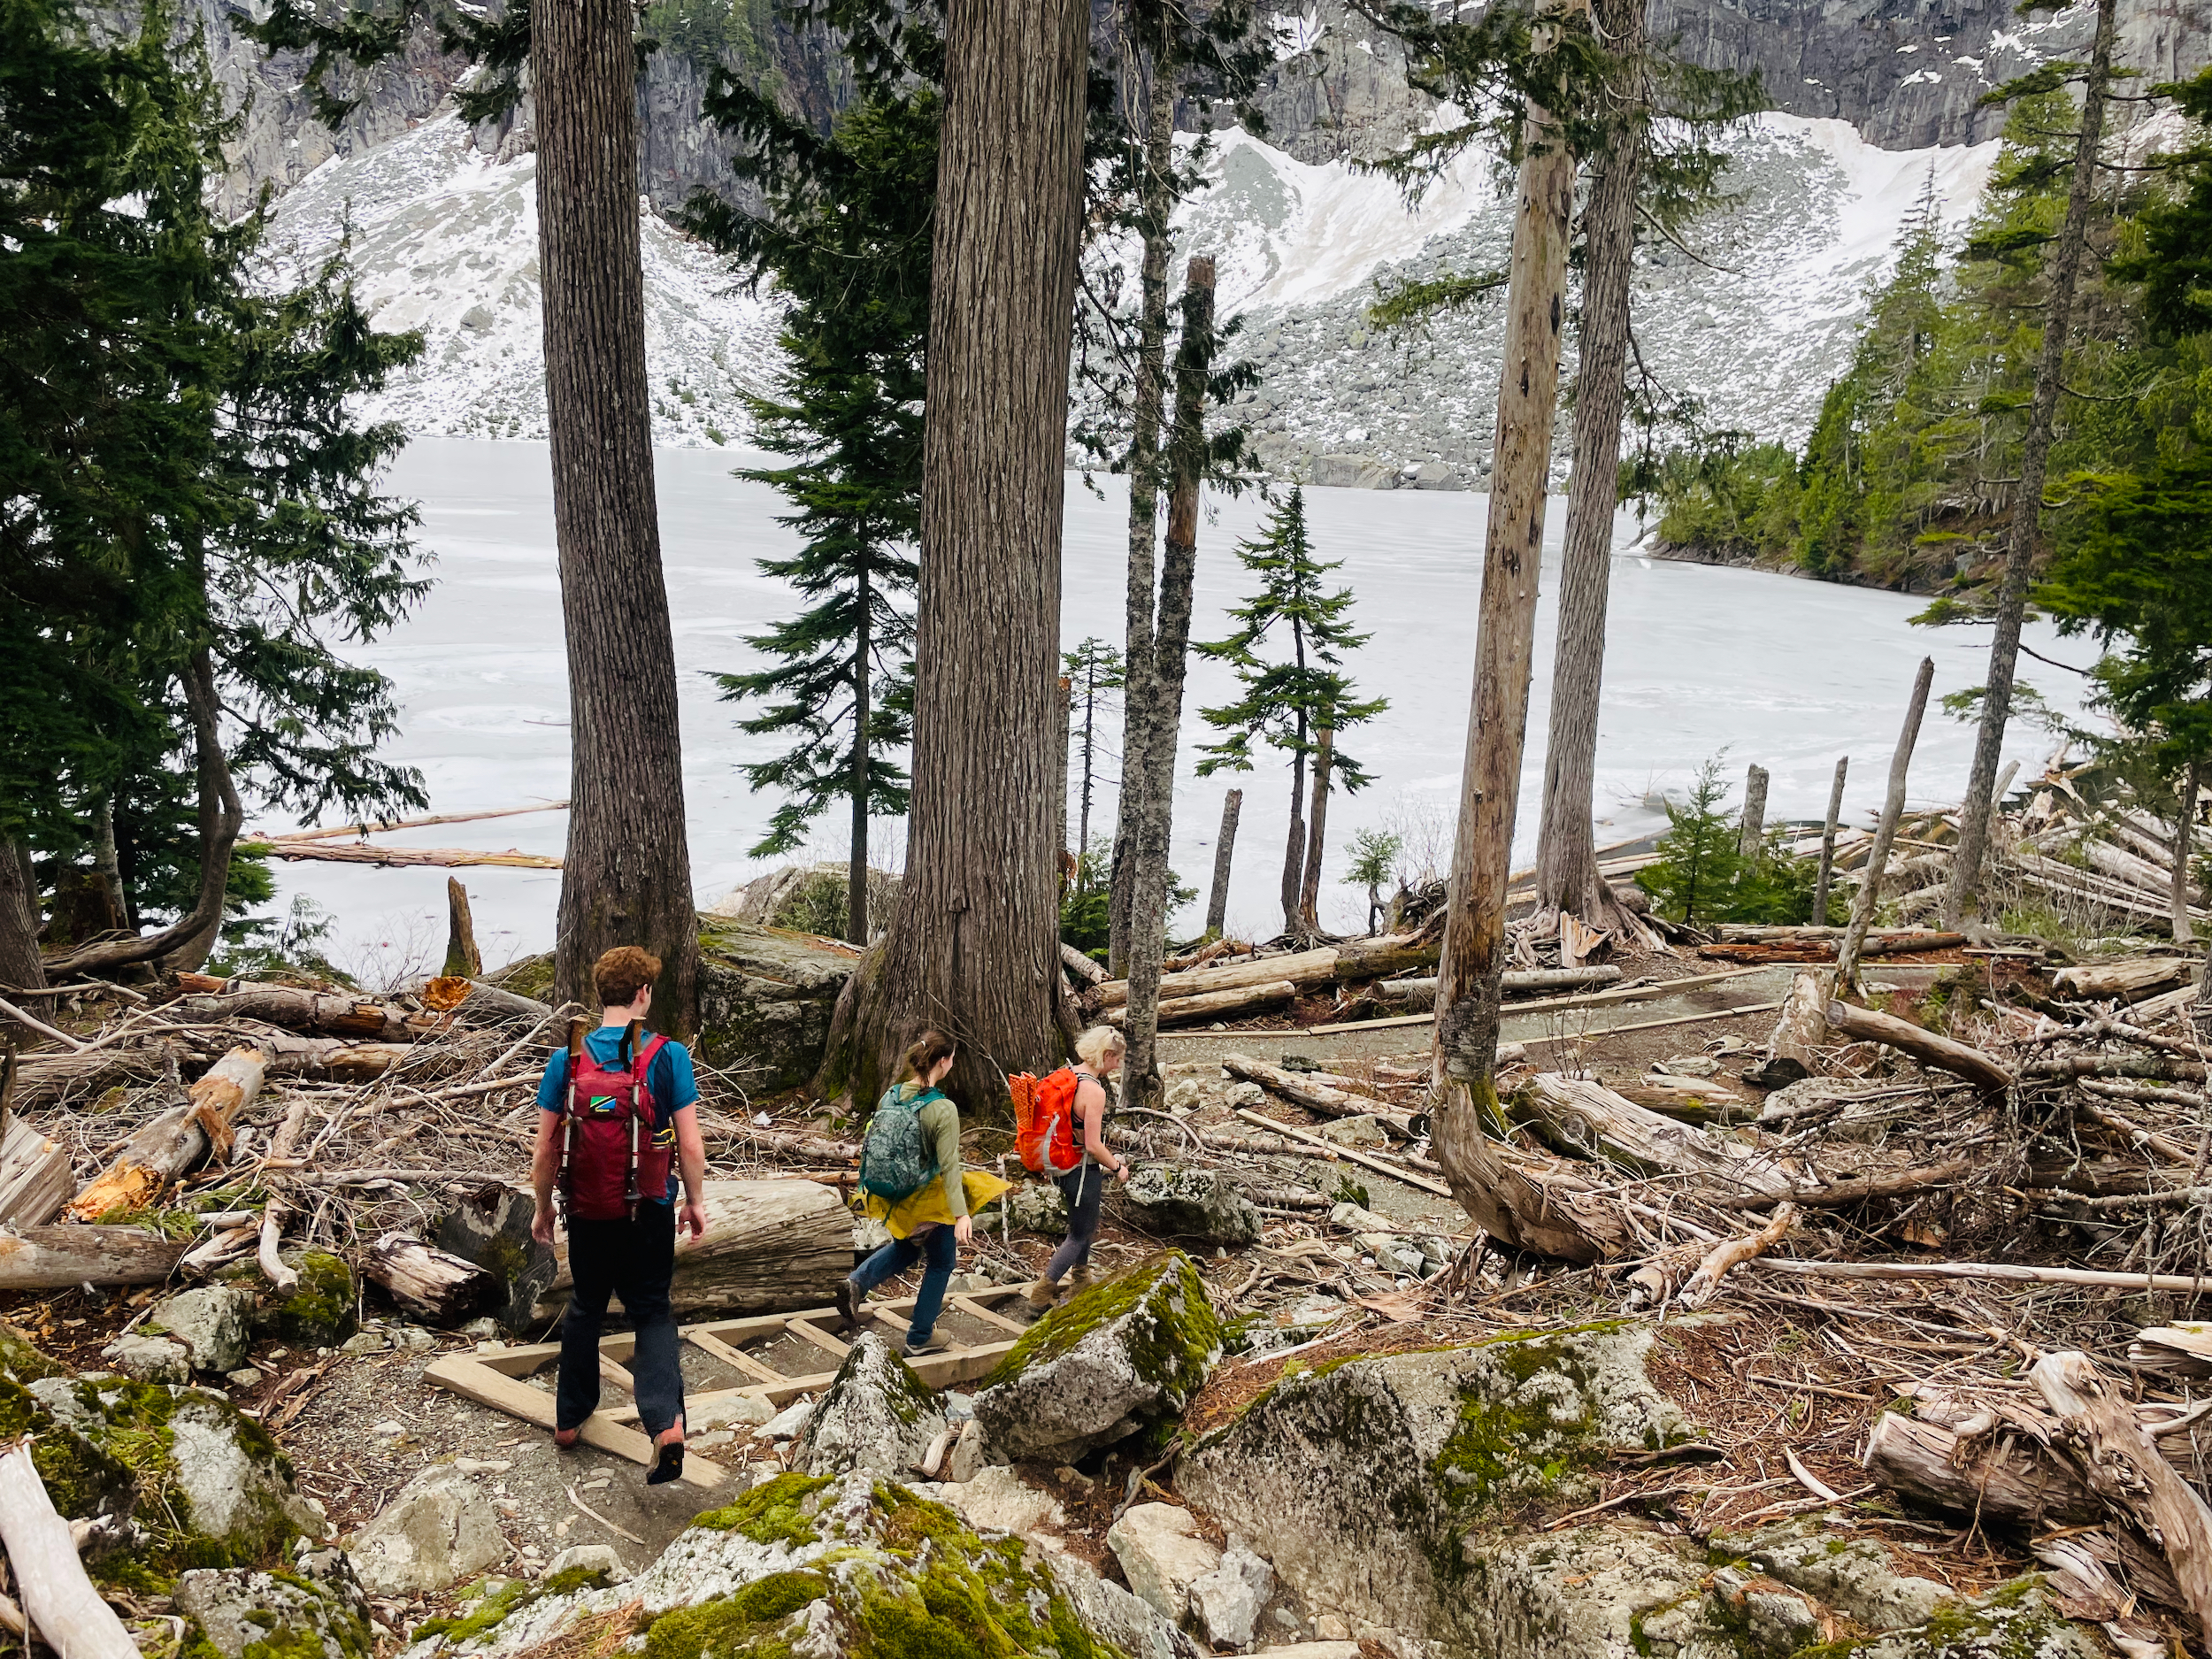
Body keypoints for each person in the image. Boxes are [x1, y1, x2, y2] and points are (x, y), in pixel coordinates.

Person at [530, 946, 708, 1485]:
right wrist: (695, 1202)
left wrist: (543, 1209)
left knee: (586, 1306)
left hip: (587, 1209)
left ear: (601, 992)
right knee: (652, 1310)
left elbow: (545, 1149)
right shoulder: (667, 1056)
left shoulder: (569, 1059)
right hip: (648, 1207)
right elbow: (690, 1142)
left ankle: (568, 1421)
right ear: (642, 995)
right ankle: (666, 1427)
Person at [836, 1031, 1006, 1358]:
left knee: (906, 1248)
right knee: (942, 1262)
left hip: (892, 1196)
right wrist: (961, 1214)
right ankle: (920, 1336)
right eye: (952, 1058)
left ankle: (856, 1283)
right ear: (943, 1062)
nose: (953, 1064)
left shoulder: (892, 1095)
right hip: (926, 1200)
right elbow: (949, 1167)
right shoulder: (942, 1108)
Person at [1025, 1025, 1132, 1312]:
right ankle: (1040, 1295)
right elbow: (1094, 1145)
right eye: (1117, 1059)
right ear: (1107, 1055)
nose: (1118, 1065)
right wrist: (1117, 1166)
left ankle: (1082, 1278)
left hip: (1062, 1167)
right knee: (1079, 1234)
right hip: (1082, 1170)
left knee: (1083, 1226)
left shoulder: (1068, 1075)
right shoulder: (1094, 1091)